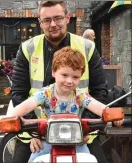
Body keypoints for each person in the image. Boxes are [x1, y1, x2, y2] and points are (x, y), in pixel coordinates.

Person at [8, 1, 109, 163]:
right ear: (40, 23)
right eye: (47, 20)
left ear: (67, 18)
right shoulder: (28, 48)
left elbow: (100, 92)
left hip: (81, 131)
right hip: (37, 131)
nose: (53, 24)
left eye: (58, 18)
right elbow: (18, 93)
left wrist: (85, 129)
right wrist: (33, 133)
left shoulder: (88, 47)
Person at [0, 47, 123, 162]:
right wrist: (8, 117)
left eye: (75, 77)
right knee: (35, 160)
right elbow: (26, 106)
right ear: (54, 72)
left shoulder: (80, 95)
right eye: (64, 75)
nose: (69, 81)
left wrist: (112, 114)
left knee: (89, 160)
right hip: (47, 141)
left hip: (76, 143)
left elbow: (97, 106)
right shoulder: (45, 93)